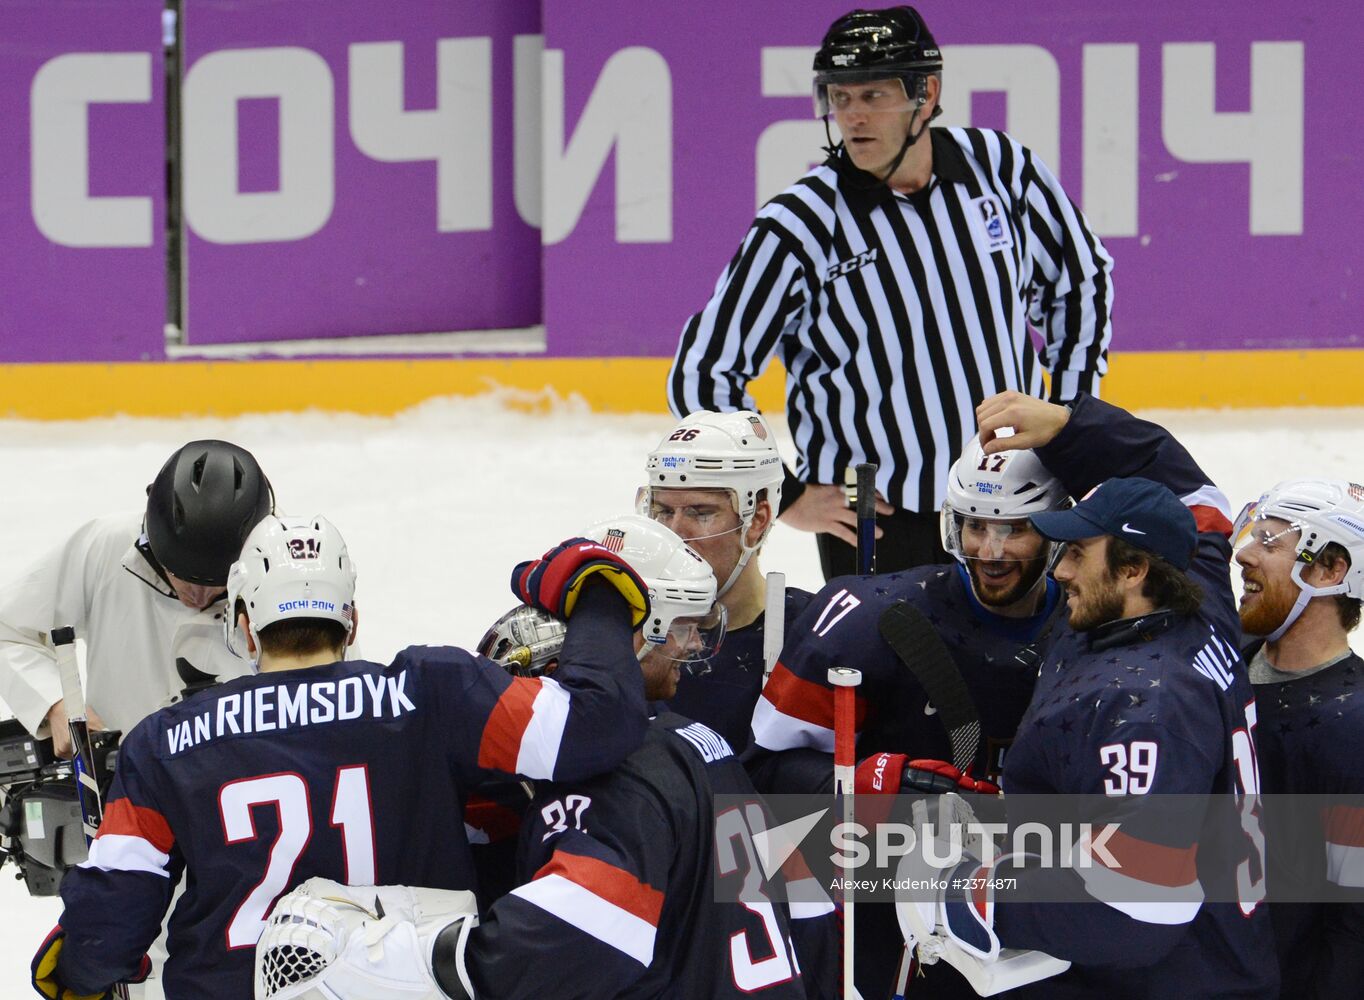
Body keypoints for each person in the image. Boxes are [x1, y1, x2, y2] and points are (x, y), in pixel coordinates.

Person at [31, 513, 654, 999]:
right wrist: (597, 588)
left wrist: (76, 967)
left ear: (245, 627)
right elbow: (597, 723)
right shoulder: (433, 692)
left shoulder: (165, 741)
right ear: (351, 620)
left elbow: (110, 923)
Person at [252, 514, 833, 1000]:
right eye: (682, 628)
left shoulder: (612, 777)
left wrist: (383, 953)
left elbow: (576, 935)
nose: (690, 647)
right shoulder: (699, 745)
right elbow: (815, 902)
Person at [666, 5, 1113, 581]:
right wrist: (785, 493)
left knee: (1020, 668)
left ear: (925, 94)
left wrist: (1069, 421)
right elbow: (703, 374)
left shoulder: (1001, 169)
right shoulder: (800, 222)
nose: (852, 116)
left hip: (1014, 501)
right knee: (889, 675)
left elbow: (1079, 281)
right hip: (878, 525)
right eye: (841, 96)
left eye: (872, 95)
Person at [904, 391, 1278, 998]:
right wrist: (1071, 427)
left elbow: (1139, 911)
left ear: (1134, 570)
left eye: (1078, 553)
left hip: (1183, 979)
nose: (1059, 572)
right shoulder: (1198, 600)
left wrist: (977, 896)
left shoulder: (1143, 708)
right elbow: (1196, 498)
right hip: (1218, 953)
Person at [749, 433, 1070, 998]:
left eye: (1013, 529)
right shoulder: (865, 622)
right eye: (975, 525)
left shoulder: (1091, 625)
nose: (990, 552)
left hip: (1039, 907)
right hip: (892, 914)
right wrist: (873, 783)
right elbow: (761, 778)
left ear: (1055, 531)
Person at [0, 439, 273, 756]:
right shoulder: (106, 546)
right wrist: (55, 705)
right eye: (180, 576)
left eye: (218, 584)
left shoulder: (292, 573)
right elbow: (8, 630)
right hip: (121, 790)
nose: (198, 597)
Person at [1233, 480, 1364, 996]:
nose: (1243, 554)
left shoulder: (1354, 724)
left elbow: (1354, 922)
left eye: (1270, 542)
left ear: (1333, 570)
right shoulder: (1226, 660)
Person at [639, 410, 812, 750]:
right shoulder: (628, 631)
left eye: (699, 513)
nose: (673, 533)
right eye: (662, 511)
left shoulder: (814, 638)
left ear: (757, 519)